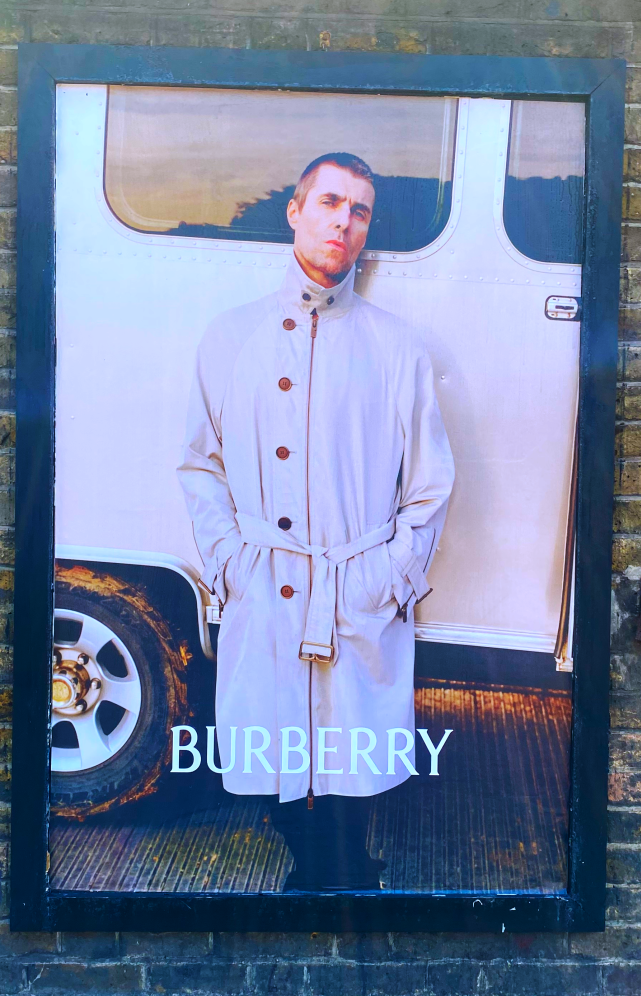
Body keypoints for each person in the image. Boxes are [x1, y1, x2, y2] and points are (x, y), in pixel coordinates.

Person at [178, 152, 454, 891]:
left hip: (355, 584)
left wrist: (389, 576)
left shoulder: (396, 347)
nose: (344, 221)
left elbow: (429, 483)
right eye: (330, 202)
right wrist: (229, 561)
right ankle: (309, 869)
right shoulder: (230, 336)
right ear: (295, 211)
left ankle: (347, 875)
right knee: (273, 750)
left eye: (360, 210)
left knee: (350, 756)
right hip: (265, 579)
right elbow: (200, 463)